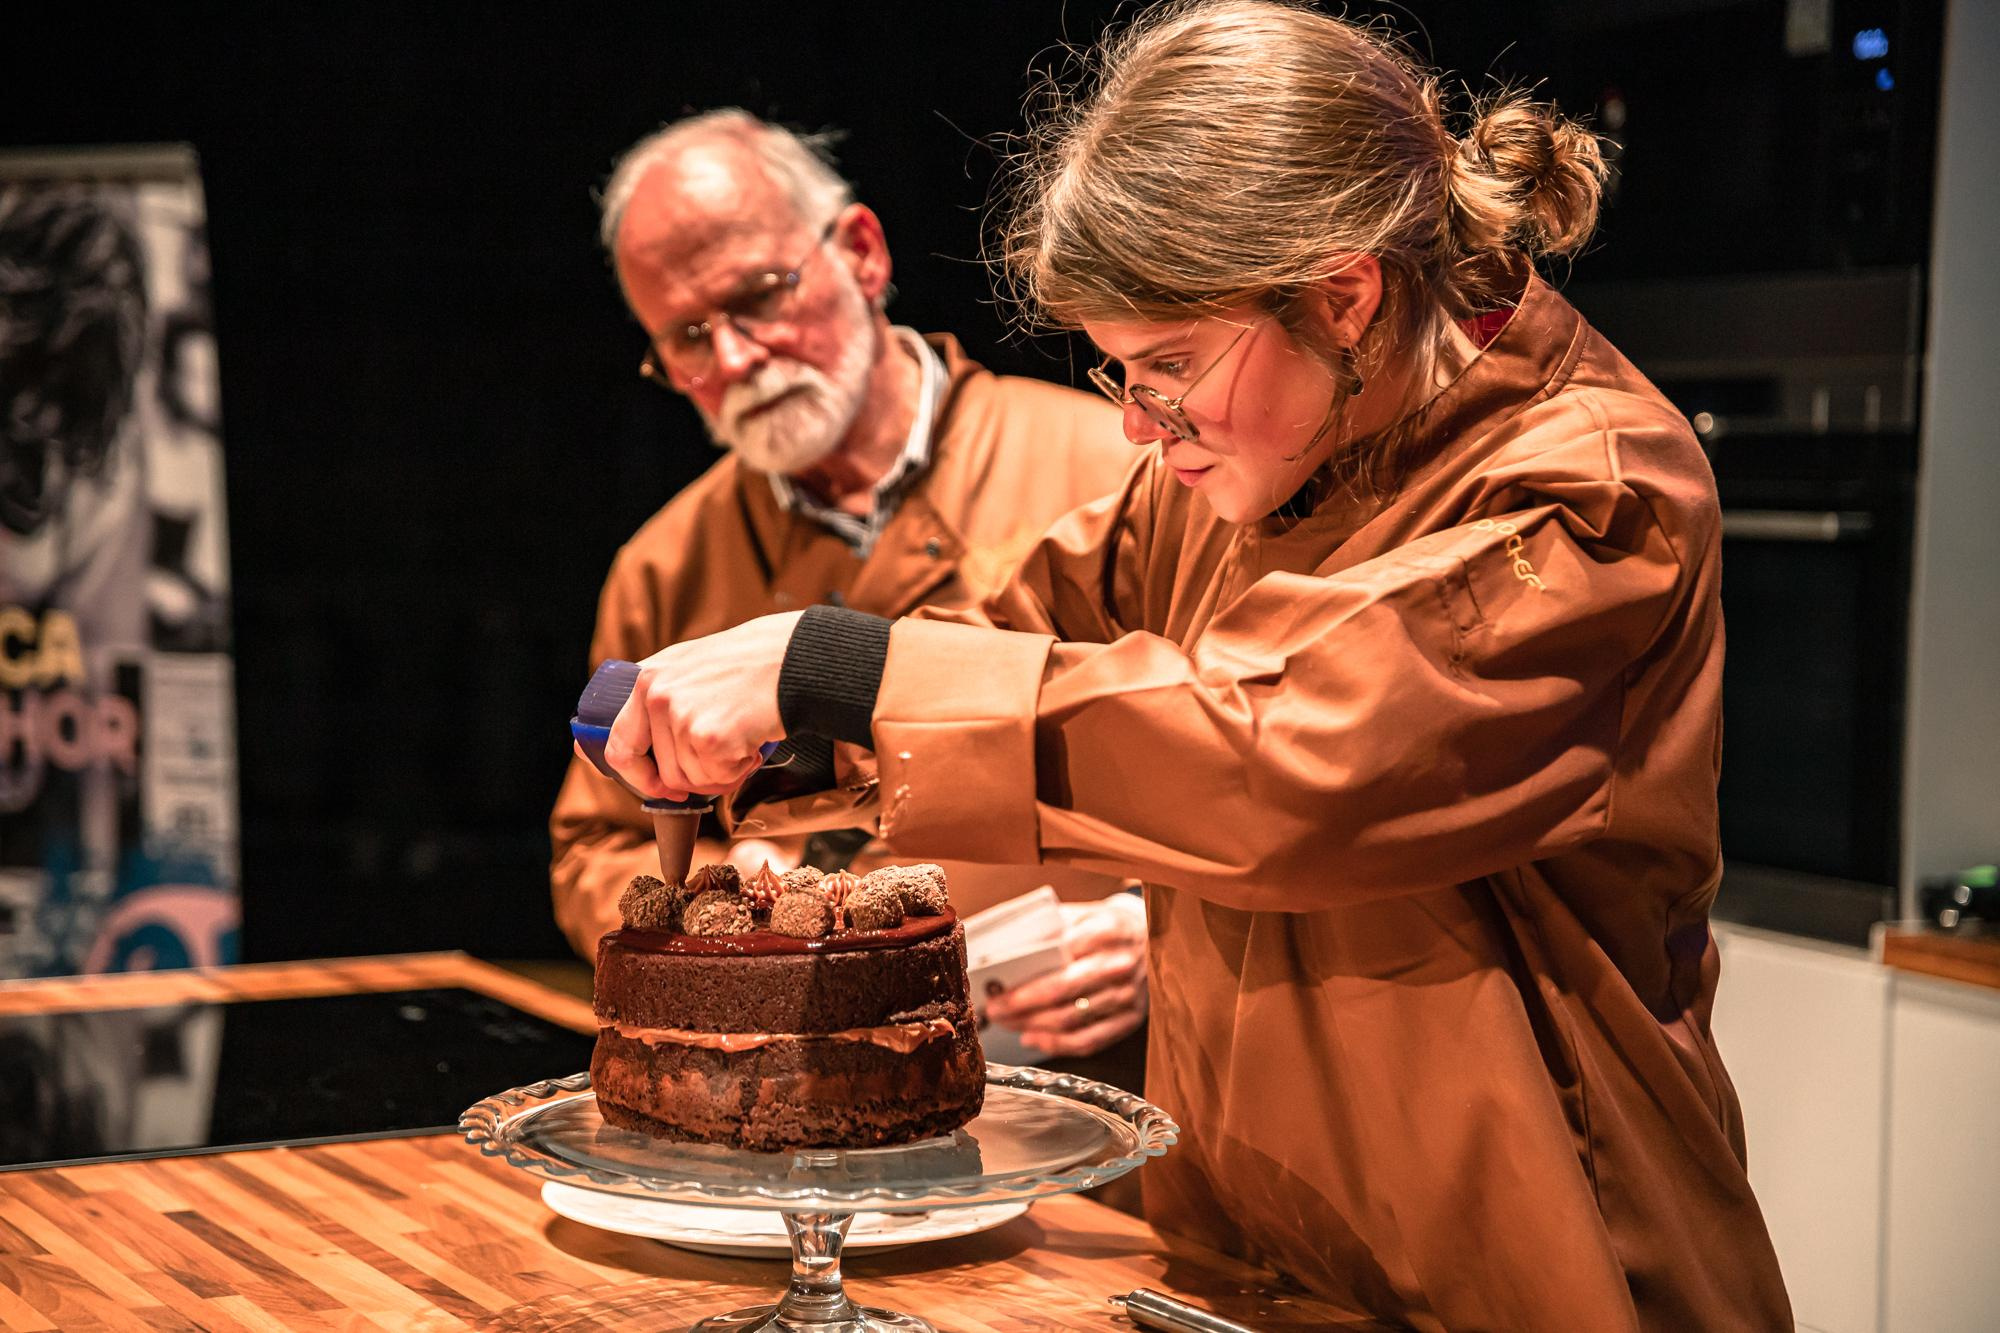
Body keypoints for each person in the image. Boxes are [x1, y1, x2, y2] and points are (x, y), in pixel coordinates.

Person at [593, 4, 1797, 1327]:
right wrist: (793, 734)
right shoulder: (1253, 460)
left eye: (1167, 364)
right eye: (1116, 369)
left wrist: (838, 666)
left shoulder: (1587, 495)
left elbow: (1285, 760)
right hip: (1242, 1264)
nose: (1135, 422)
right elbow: (1023, 627)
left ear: (1344, 296)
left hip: (1538, 1277)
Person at [548, 111, 1148, 1067]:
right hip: (790, 1093)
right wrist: (719, 891)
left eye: (759, 296)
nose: (735, 358)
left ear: (863, 253)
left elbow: (1244, 752)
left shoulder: (1124, 467)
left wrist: (1152, 931)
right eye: (689, 338)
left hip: (1087, 1079)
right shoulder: (664, 564)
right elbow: (595, 845)